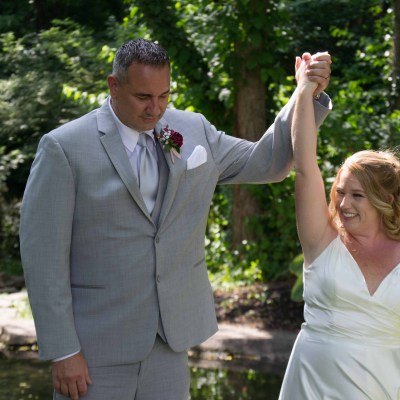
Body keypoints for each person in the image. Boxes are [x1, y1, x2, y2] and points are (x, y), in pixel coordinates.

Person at [19, 38, 332, 400]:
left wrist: (304, 95)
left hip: (170, 342)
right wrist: (63, 350)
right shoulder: (64, 147)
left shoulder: (193, 130)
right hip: (94, 350)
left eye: (164, 96)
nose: (155, 109)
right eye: (143, 97)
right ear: (113, 85)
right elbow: (44, 259)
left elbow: (270, 162)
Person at [278, 56, 400, 399]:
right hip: (312, 385)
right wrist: (305, 91)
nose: (344, 204)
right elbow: (305, 166)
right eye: (340, 192)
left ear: (386, 200)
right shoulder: (322, 240)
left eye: (357, 195)